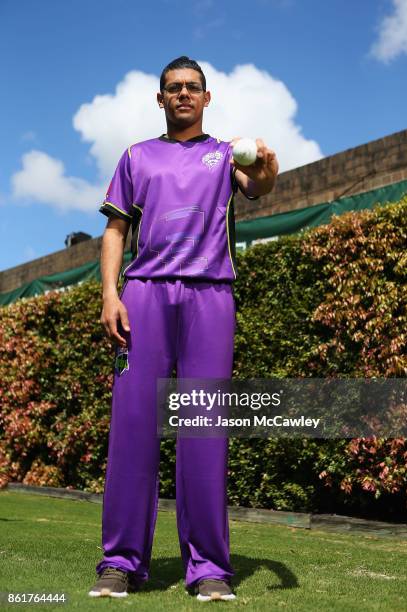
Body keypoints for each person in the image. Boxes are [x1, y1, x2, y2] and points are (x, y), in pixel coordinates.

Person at [88, 56, 279, 602]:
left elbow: (260, 185)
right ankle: (120, 564)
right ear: (160, 98)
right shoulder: (136, 156)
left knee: (203, 433)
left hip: (210, 296)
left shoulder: (224, 155)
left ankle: (210, 569)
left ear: (207, 97)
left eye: (192, 87)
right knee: (133, 429)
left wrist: (267, 164)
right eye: (173, 88)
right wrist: (110, 294)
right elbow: (115, 229)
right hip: (145, 296)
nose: (183, 95)